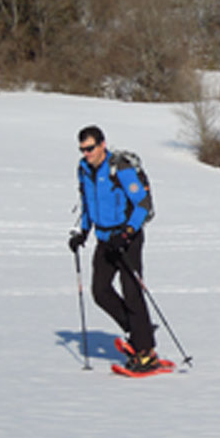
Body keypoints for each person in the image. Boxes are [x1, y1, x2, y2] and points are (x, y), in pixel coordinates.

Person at [68, 125, 160, 372]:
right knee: (100, 291)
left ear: (102, 145)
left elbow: (142, 203)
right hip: (105, 238)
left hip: (127, 238)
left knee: (131, 292)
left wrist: (128, 232)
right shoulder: (84, 170)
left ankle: (145, 352)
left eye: (90, 148)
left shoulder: (119, 168)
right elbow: (88, 204)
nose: (86, 153)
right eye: (82, 149)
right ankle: (137, 331)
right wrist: (82, 232)